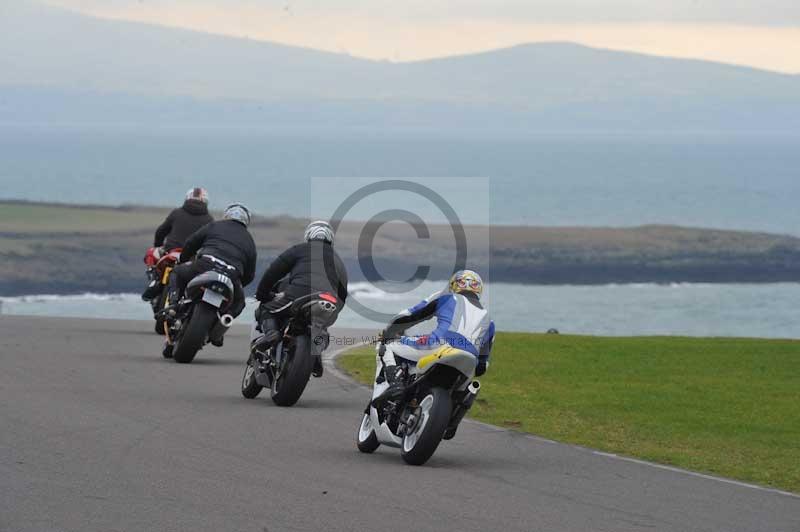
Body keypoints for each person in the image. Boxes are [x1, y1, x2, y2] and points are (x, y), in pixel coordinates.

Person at [375, 269, 495, 401]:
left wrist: (390, 331)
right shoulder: (489, 321)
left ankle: (395, 386)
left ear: (453, 285)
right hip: (469, 361)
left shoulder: (446, 298)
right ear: (479, 289)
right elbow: (481, 367)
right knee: (463, 393)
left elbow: (411, 315)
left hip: (438, 346)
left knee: (388, 345)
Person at [253, 220, 348, 374]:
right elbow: (343, 294)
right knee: (321, 327)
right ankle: (316, 354)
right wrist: (334, 312)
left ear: (308, 235)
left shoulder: (300, 249)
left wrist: (262, 294)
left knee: (266, 309)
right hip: (328, 300)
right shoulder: (338, 260)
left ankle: (271, 334)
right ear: (330, 238)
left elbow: (274, 270)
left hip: (300, 293)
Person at [169, 203, 257, 345]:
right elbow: (250, 274)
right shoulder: (250, 240)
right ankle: (220, 326)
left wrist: (183, 259)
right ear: (246, 220)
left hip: (205, 264)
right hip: (231, 275)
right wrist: (238, 283)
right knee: (239, 303)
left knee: (177, 272)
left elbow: (192, 242)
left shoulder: (215, 225)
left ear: (227, 215)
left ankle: (173, 305)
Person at [141, 188, 213, 301]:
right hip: (192, 257)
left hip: (170, 252)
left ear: (187, 198)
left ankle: (155, 281)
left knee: (151, 253)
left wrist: (158, 245)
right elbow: (209, 243)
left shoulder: (177, 213)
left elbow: (161, 232)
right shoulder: (209, 220)